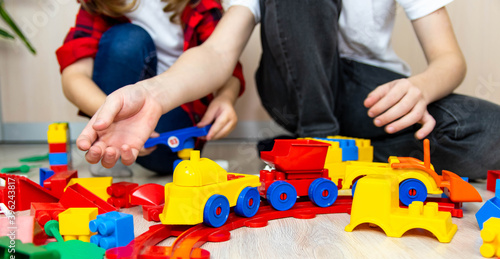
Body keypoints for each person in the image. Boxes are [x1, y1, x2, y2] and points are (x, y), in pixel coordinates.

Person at [77, 0, 500, 179]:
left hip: (371, 92)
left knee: (487, 129)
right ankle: (318, 141)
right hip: (295, 86)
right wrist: (156, 93)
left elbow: (449, 60)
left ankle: (335, 151)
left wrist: (420, 88)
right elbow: (217, 54)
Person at [57, 0, 245, 175]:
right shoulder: (100, 5)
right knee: (128, 39)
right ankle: (111, 142)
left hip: (173, 116)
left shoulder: (200, 5)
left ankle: (122, 146)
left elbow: (226, 61)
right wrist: (112, 116)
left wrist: (225, 98)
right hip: (121, 111)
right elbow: (74, 76)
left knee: (130, 39)